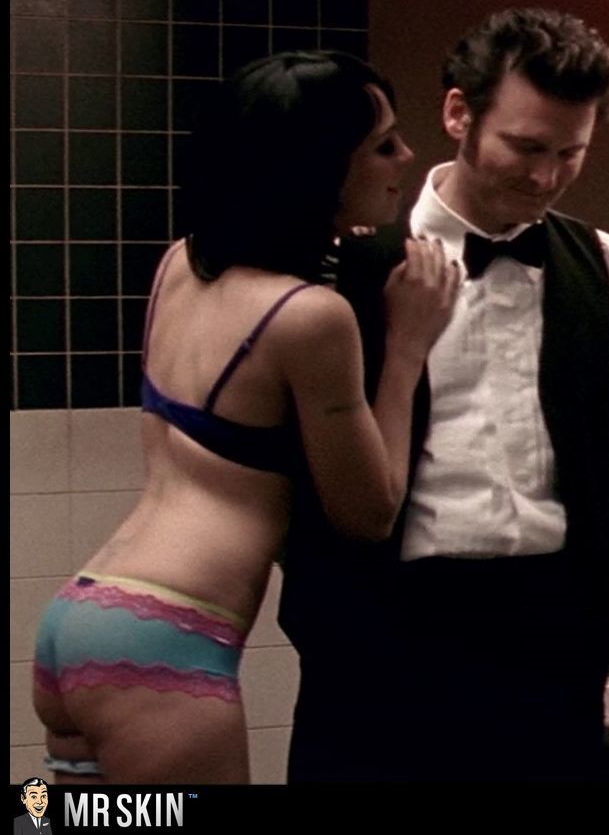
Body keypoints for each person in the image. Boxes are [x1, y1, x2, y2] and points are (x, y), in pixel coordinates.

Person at [30, 51, 460, 784]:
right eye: (383, 145)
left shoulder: (181, 264)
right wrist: (407, 348)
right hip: (168, 642)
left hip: (85, 618)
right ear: (321, 167)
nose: (407, 156)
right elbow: (369, 511)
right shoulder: (311, 319)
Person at [279, 8, 609, 782]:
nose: (545, 176)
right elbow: (295, 479)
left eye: (570, 153)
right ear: (457, 113)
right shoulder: (344, 265)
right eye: (526, 147)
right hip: (388, 638)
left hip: (552, 643)